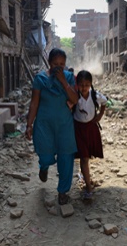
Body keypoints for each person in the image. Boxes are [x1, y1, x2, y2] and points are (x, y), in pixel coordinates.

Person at [26, 48, 79, 205]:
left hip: (64, 124)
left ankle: (62, 191)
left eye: (62, 64)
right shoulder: (40, 79)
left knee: (66, 156)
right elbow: (34, 102)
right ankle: (44, 166)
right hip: (44, 124)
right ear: (49, 63)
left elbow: (75, 99)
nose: (58, 67)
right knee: (45, 152)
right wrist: (29, 124)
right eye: (55, 64)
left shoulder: (69, 77)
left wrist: (63, 81)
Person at [73, 70, 107, 200]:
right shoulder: (75, 96)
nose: (84, 87)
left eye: (87, 84)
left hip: (91, 129)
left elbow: (104, 102)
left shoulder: (94, 95)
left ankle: (87, 180)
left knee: (87, 156)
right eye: (81, 84)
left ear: (91, 84)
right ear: (77, 85)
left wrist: (99, 116)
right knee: (84, 158)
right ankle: (88, 187)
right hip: (79, 130)